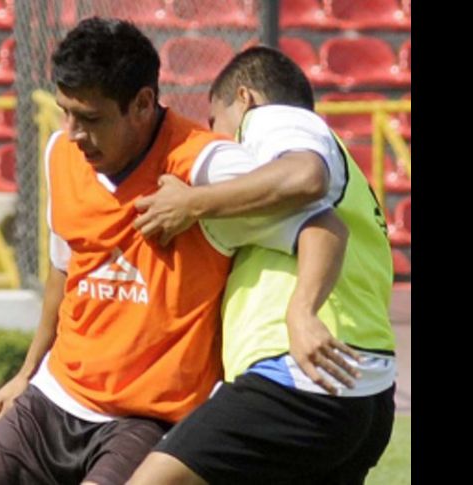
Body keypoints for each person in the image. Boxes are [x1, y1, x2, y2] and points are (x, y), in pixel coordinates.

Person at [0, 19, 352, 485]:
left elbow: (324, 225)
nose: (73, 132)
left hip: (150, 418)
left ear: (142, 103)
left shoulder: (204, 165)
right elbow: (65, 268)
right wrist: (26, 373)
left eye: (90, 118)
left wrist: (302, 312)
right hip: (56, 396)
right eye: (66, 112)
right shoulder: (60, 153)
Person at [128, 46, 397, 485]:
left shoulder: (276, 118)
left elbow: (305, 177)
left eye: (217, 122)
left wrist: (191, 202)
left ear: (245, 97)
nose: (217, 138)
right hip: (365, 394)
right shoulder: (353, 179)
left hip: (299, 377)